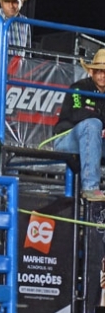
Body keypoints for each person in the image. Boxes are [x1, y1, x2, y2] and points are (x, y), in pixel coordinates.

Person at [50, 49, 105, 201]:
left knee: (94, 125)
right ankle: (90, 188)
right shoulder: (78, 88)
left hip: (98, 141)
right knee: (93, 124)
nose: (102, 76)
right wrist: (102, 123)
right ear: (91, 72)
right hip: (66, 139)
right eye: (98, 71)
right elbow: (76, 114)